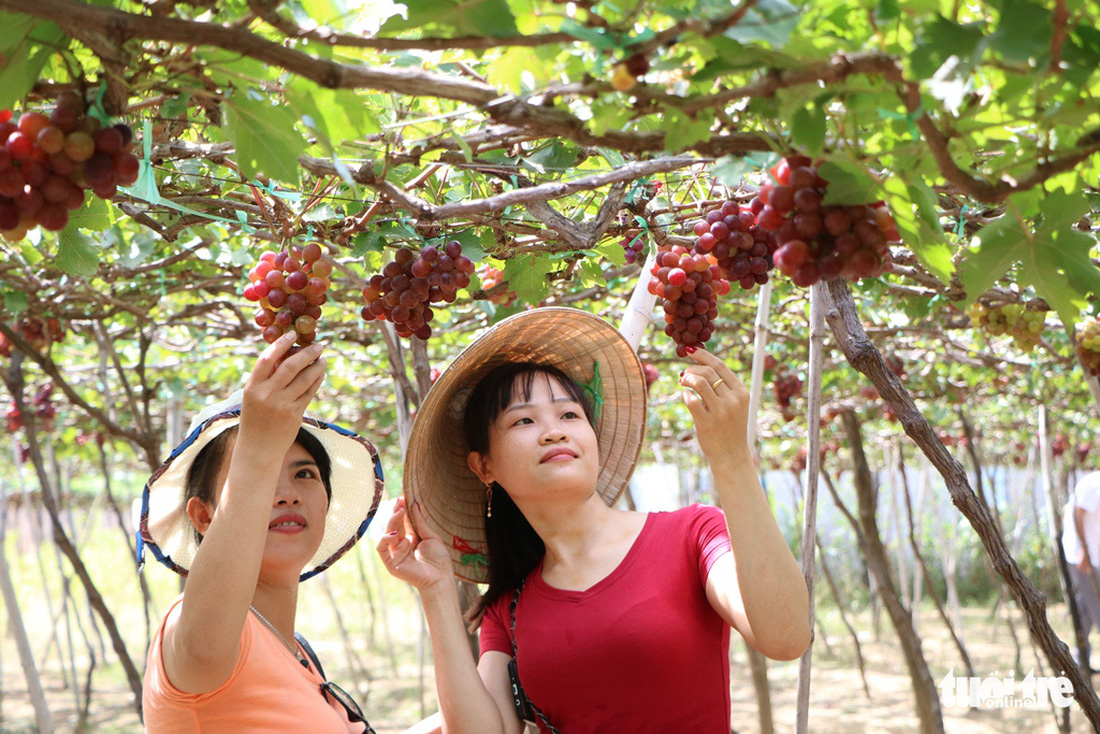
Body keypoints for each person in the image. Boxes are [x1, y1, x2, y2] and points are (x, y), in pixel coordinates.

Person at [377, 307, 810, 733]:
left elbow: (785, 637)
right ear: (484, 466)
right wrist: (435, 592)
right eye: (524, 420)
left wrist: (731, 459)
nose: (555, 431)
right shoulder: (507, 609)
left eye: (569, 415)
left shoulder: (691, 535)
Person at [138, 332, 384, 732]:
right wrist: (255, 450)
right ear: (203, 515)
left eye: (304, 474)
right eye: (264, 475)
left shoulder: (297, 652)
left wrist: (435, 593)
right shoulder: (198, 632)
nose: (287, 495)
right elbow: (202, 650)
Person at [1062, 471, 1100, 671]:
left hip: (1093, 555)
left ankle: (1079, 659)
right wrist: (1082, 548)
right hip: (1084, 557)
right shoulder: (1094, 484)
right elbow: (1076, 511)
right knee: (1096, 607)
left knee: (1085, 608)